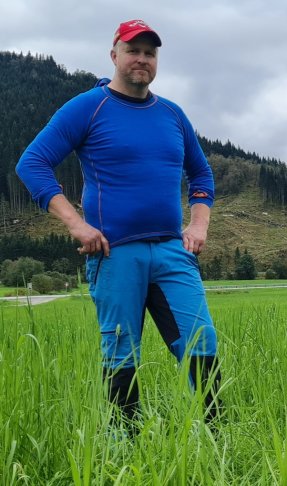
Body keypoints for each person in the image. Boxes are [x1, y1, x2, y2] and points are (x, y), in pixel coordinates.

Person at [16, 19, 221, 425]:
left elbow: (201, 175)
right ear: (115, 56)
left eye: (150, 52)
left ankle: (217, 436)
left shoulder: (172, 115)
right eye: (133, 50)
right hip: (115, 254)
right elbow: (32, 163)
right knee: (121, 351)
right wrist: (76, 224)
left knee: (202, 342)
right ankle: (124, 443)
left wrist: (198, 226)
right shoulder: (87, 107)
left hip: (171, 251)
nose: (142, 59)